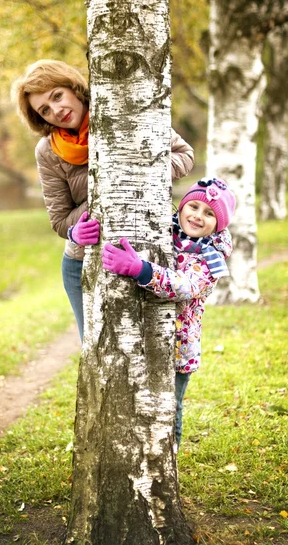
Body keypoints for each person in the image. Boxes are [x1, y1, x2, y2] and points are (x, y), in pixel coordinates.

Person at [11, 59, 195, 342]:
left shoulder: (119, 113)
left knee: (161, 345)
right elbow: (60, 220)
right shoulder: (47, 151)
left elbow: (184, 154)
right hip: (82, 263)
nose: (56, 111)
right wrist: (75, 230)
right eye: (44, 110)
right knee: (97, 349)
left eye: (57, 96)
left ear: (73, 88)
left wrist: (145, 176)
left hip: (149, 253)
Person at [102, 177, 236, 446]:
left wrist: (142, 269)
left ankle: (169, 455)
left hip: (178, 347)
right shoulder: (166, 230)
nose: (198, 216)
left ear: (218, 225)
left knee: (169, 406)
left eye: (209, 214)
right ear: (182, 206)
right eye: (194, 207)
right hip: (145, 335)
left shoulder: (210, 258)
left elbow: (185, 286)